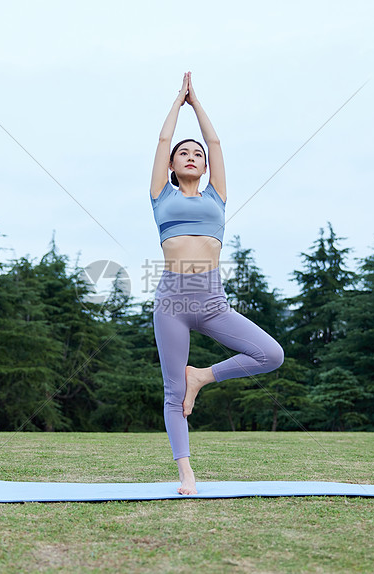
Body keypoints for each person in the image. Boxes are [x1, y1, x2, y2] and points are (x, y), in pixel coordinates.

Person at [150, 72, 285, 495]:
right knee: (173, 390)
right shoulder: (161, 196)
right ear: (172, 166)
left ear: (205, 166)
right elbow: (160, 142)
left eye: (197, 154)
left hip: (212, 301)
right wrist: (177, 102)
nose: (192, 156)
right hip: (171, 301)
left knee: (270, 354)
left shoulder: (216, 196)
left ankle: (203, 377)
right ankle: (186, 473)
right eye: (183, 154)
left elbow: (217, 144)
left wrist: (198, 104)